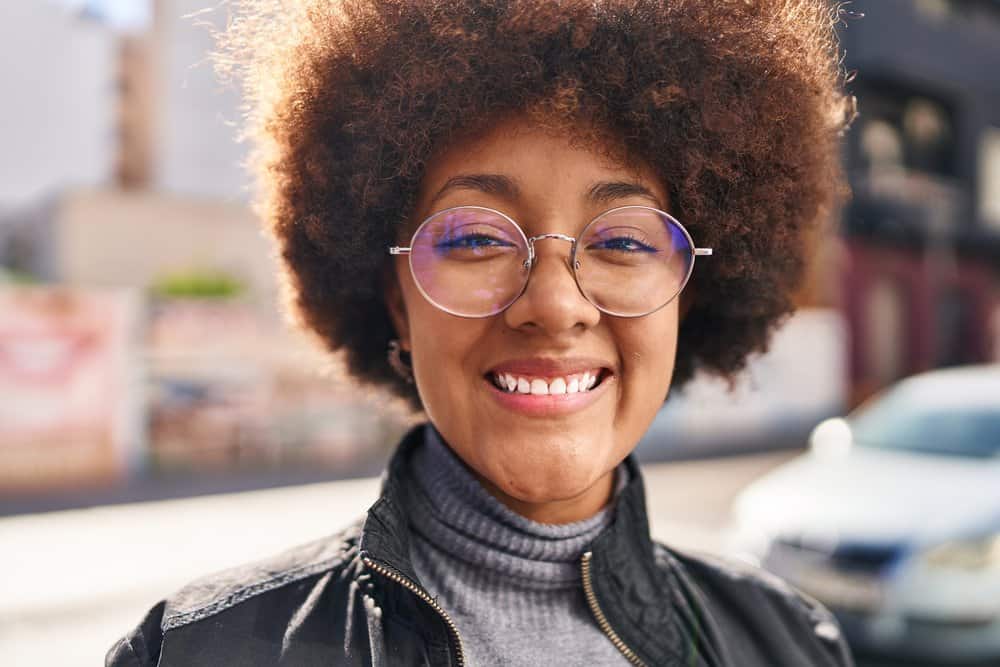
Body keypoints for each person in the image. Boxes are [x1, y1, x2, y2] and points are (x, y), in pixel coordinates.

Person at [108, 0, 857, 665]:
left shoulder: (789, 642)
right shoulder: (195, 651)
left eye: (624, 242)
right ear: (396, 301)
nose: (555, 305)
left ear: (687, 302)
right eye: (474, 238)